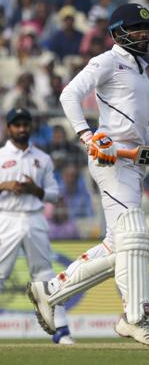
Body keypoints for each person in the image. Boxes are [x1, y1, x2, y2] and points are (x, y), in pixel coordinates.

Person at [26, 3, 149, 347]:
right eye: (138, 29)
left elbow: (143, 133)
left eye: (148, 29)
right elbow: (70, 94)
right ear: (118, 33)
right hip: (109, 161)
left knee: (120, 246)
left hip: (132, 163)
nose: (146, 34)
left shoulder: (142, 71)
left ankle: (50, 291)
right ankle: (135, 318)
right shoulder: (107, 61)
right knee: (136, 234)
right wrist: (88, 136)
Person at [0, 108, 73, 344]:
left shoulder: (42, 158)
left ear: (30, 126)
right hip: (7, 217)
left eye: (25, 124)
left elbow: (53, 194)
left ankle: (61, 331)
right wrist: (5, 185)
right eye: (16, 125)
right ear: (9, 128)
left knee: (45, 275)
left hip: (34, 217)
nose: (21, 129)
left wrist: (35, 190)